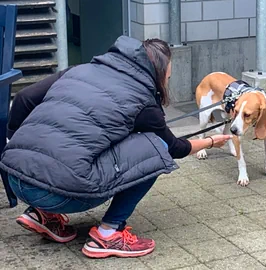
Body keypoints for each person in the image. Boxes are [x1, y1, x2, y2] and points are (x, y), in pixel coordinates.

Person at [0, 35, 232, 258]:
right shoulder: (143, 100)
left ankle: (45, 214)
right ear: (158, 73)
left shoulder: (79, 70)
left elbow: (23, 99)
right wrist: (211, 141)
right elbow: (173, 148)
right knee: (154, 147)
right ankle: (109, 233)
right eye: (167, 77)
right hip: (63, 194)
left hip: (16, 178)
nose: (166, 82)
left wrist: (16, 145)